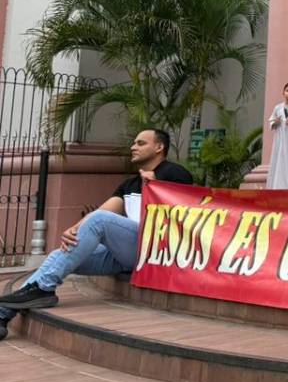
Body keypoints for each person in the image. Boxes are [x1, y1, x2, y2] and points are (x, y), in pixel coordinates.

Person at [0, 130, 193, 339]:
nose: (133, 147)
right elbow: (103, 211)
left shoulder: (176, 173)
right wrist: (74, 230)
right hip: (126, 254)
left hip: (155, 251)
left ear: (159, 147)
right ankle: (4, 314)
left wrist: (157, 187)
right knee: (57, 256)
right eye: (133, 143)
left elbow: (185, 213)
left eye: (140, 143)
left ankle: (43, 287)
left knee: (98, 221)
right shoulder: (129, 185)